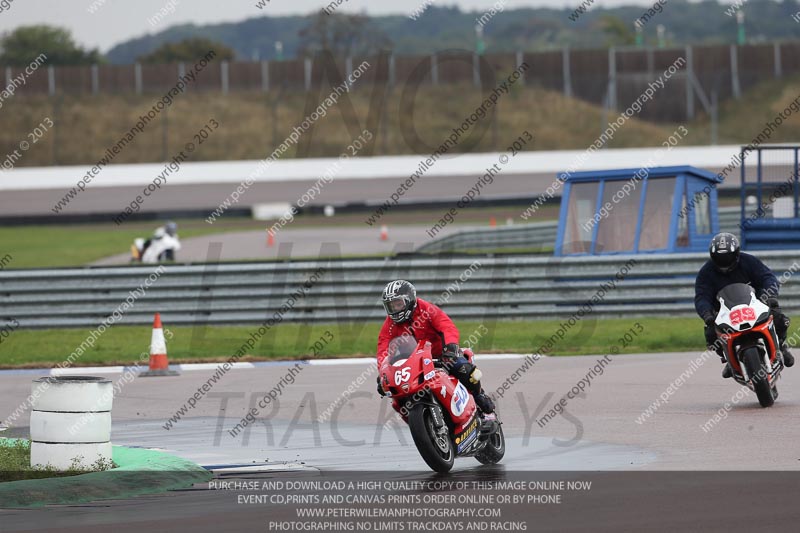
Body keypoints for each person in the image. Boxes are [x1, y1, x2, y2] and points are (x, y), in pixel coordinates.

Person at [375, 279, 496, 416]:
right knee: (398, 395)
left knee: (465, 370)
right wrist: (383, 372)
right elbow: (383, 349)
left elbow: (446, 326)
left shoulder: (427, 309)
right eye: (391, 306)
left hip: (442, 356)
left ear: (409, 300)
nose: (395, 309)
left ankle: (479, 396)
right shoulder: (390, 324)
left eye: (398, 304)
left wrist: (450, 348)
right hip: (415, 363)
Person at [695, 232, 794, 378]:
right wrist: (707, 314)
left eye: (727, 258)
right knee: (711, 333)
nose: (724, 262)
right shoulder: (706, 273)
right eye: (720, 258)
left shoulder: (748, 261)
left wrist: (769, 296)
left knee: (779, 318)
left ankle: (781, 345)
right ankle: (727, 358)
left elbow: (767, 278)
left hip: (755, 303)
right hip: (725, 312)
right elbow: (701, 296)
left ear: (736, 254)